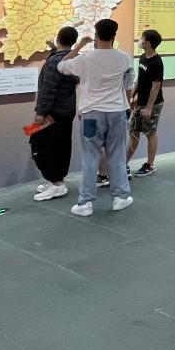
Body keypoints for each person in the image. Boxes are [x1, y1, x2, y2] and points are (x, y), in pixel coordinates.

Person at [58, 19, 134, 215]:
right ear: (114, 35)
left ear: (96, 36)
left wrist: (78, 47)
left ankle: (85, 203)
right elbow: (128, 84)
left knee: (90, 158)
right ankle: (120, 197)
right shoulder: (125, 58)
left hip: (91, 115)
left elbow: (61, 66)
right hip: (117, 113)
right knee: (117, 156)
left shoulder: (85, 59)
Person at [30, 26, 79, 201]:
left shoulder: (54, 62)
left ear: (58, 39)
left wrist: (40, 113)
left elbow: (48, 89)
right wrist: (53, 49)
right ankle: (55, 181)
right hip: (66, 111)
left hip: (51, 114)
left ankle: (57, 184)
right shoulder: (74, 60)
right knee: (60, 146)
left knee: (39, 143)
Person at [127, 29, 165, 177]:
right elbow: (140, 78)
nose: (140, 40)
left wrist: (149, 107)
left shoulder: (156, 62)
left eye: (142, 38)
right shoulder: (143, 57)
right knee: (133, 132)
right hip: (140, 103)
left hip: (152, 105)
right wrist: (132, 95)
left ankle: (150, 165)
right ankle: (123, 164)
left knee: (150, 133)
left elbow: (156, 86)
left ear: (147, 43)